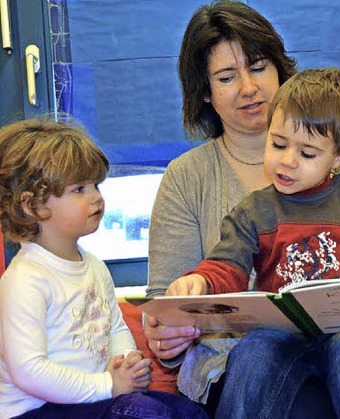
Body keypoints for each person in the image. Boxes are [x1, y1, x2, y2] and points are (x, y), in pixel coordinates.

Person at [144, 1, 340, 416]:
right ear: (205, 91)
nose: (248, 88)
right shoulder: (217, 192)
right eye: (225, 77)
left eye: (257, 67)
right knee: (270, 366)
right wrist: (186, 299)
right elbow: (218, 269)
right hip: (254, 350)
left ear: (338, 156)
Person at [0, 118, 208, 418]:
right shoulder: (24, 280)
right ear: (31, 206)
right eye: (79, 189)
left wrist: (127, 363)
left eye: (95, 185)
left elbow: (114, 327)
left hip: (92, 399)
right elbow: (29, 372)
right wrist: (108, 386)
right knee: (143, 413)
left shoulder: (94, 266)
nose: (96, 196)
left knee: (188, 412)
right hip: (36, 409)